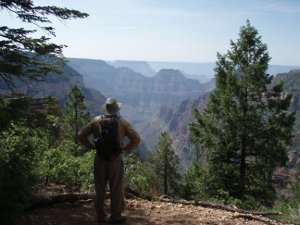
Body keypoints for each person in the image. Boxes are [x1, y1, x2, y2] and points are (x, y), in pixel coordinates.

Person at [77, 97, 140, 224]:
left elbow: (81, 135)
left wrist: (91, 147)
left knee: (99, 188)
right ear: (116, 109)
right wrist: (126, 148)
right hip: (115, 159)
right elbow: (136, 138)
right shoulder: (122, 122)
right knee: (116, 188)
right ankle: (115, 216)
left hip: (99, 158)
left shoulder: (95, 121)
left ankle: (100, 215)